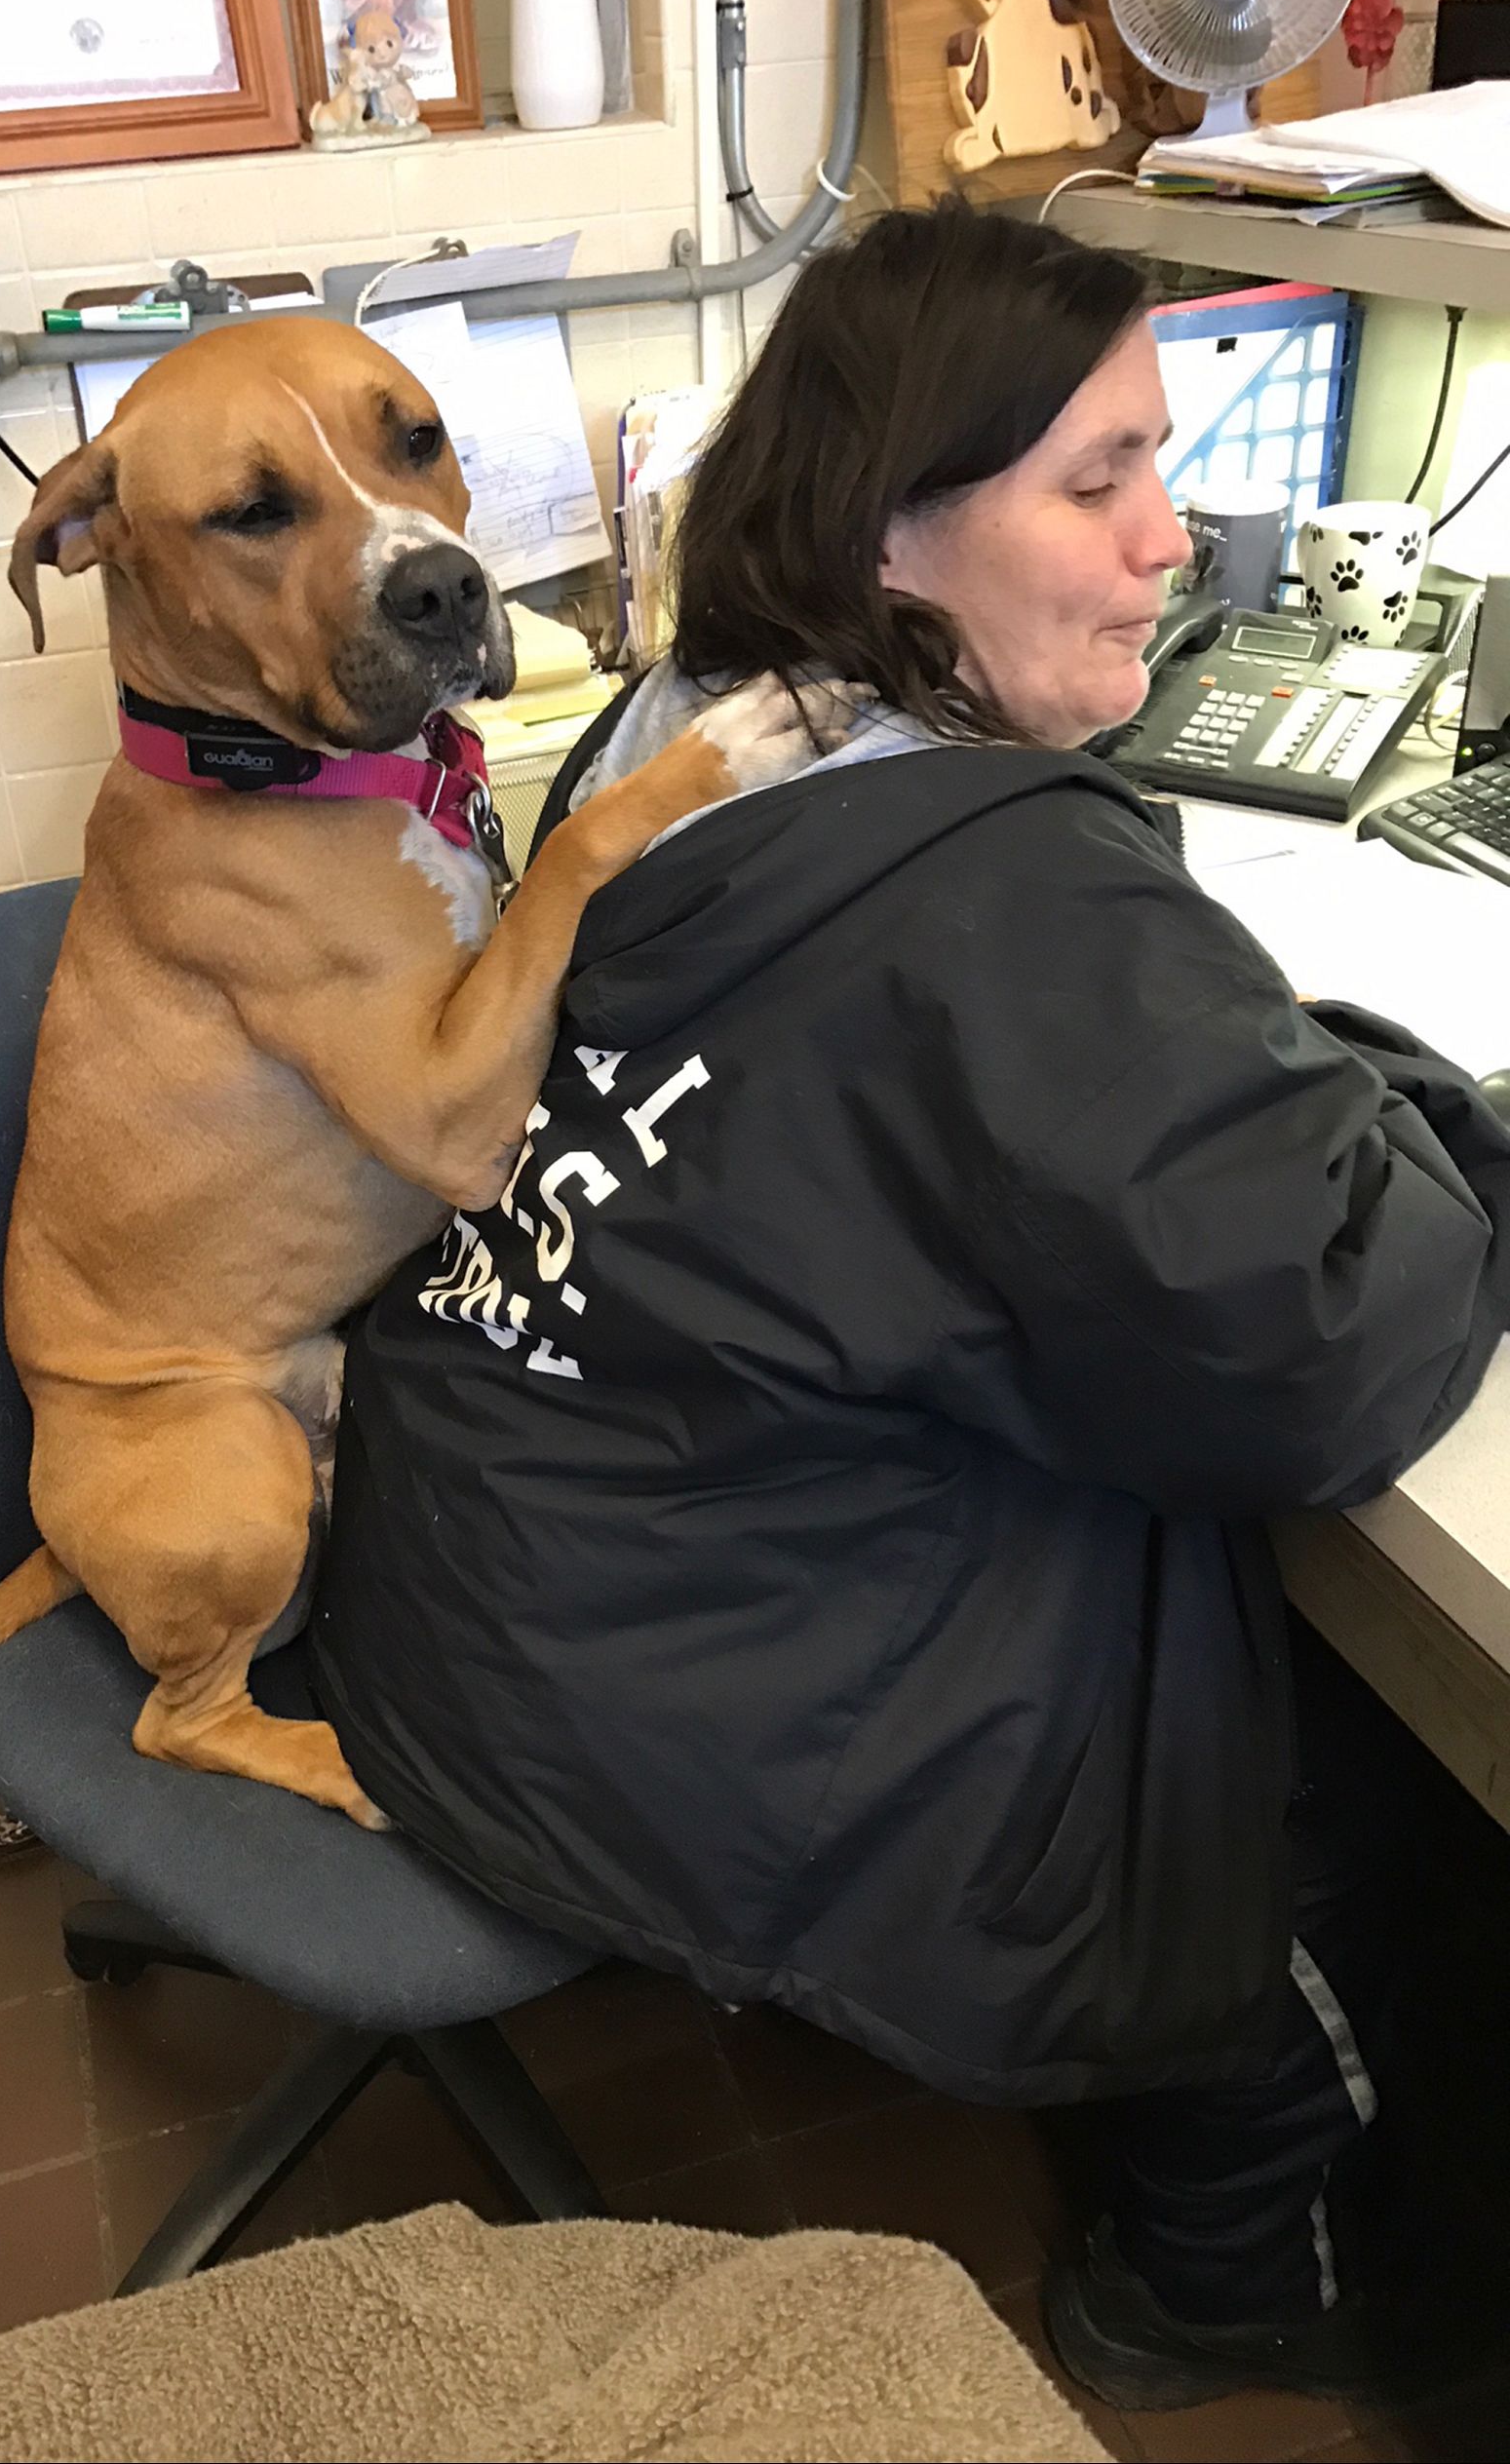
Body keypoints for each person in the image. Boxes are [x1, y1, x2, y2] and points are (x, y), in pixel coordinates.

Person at [309, 206, 1510, 2408]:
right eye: (1095, 484)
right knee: (1327, 1830)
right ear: (890, 531)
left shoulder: (689, 726)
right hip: (670, 1702)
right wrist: (1443, 1123)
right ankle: (1201, 2289)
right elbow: (1322, 1343)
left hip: (461, 1586)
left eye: (1173, 459)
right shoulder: (1000, 888)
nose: (1177, 545)